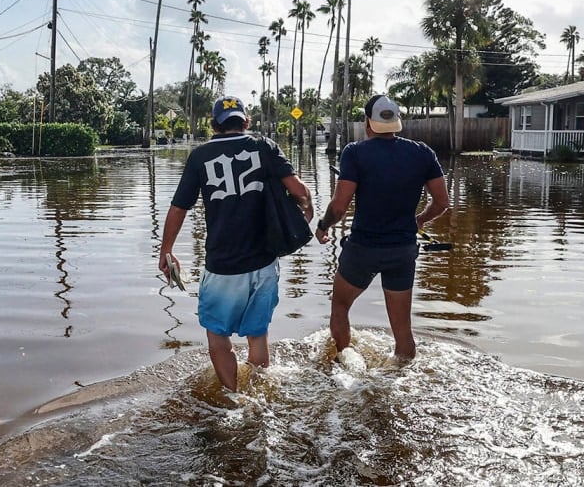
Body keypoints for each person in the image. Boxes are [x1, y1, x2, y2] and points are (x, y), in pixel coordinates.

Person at [160, 95, 314, 392]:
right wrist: (306, 210)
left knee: (218, 338)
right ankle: (258, 396)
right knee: (258, 336)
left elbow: (179, 208)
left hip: (223, 265)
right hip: (264, 262)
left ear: (214, 124)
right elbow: (298, 190)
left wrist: (166, 250)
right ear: (246, 121)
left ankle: (233, 399)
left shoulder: (200, 156)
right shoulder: (264, 146)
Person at [314, 95, 451, 362]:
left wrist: (322, 225)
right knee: (403, 331)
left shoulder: (355, 153)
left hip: (363, 249)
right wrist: (419, 220)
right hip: (402, 250)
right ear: (398, 121)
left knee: (340, 306)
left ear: (368, 122)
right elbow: (442, 202)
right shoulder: (422, 153)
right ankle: (402, 373)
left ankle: (345, 363)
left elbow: (339, 207)